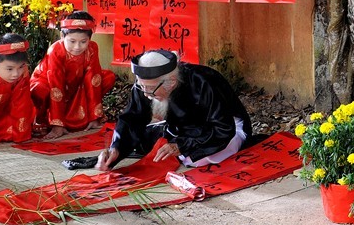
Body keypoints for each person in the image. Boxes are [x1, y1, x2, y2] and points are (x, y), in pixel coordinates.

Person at [95, 49, 252, 171]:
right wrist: (117, 148)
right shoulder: (146, 85)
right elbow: (132, 119)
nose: (145, 94)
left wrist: (181, 146)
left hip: (223, 130)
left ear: (171, 82)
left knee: (199, 159)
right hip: (181, 130)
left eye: (149, 89)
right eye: (141, 86)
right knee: (146, 142)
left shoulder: (203, 82)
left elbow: (223, 128)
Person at [30, 11, 116, 140]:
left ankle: (88, 117)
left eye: (83, 41)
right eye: (72, 41)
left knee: (107, 77)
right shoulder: (55, 51)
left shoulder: (92, 48)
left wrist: (95, 116)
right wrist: (57, 124)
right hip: (50, 84)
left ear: (90, 39)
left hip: (75, 85)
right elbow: (56, 85)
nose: (77, 47)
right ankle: (46, 120)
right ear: (62, 36)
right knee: (40, 90)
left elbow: (93, 79)